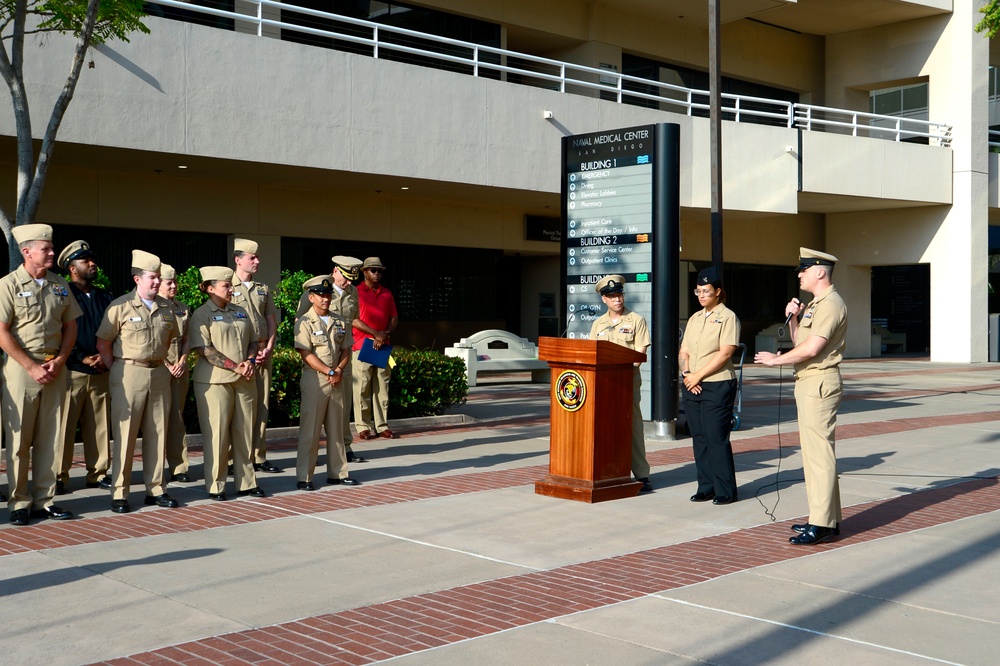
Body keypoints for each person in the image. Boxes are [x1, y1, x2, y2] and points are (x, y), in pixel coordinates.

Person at [754, 248, 848, 546]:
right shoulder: (814, 305)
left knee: (819, 455)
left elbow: (811, 350)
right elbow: (800, 341)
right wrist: (793, 318)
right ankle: (826, 519)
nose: (799, 274)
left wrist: (774, 360)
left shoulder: (831, 305)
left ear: (820, 271)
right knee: (814, 454)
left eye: (804, 269)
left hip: (819, 381)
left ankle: (821, 523)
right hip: (808, 381)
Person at [0, 223, 81, 525]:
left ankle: (44, 501)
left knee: (51, 438)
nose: (52, 252)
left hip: (55, 369)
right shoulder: (8, 285)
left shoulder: (60, 285)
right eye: (45, 249)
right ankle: (20, 502)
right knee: (20, 440)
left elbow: (70, 326)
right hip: (22, 370)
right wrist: (31, 366)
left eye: (50, 247)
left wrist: (60, 360)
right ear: (26, 251)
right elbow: (2, 332)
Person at [96, 250, 179, 514]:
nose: (156, 282)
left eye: (158, 278)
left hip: (159, 373)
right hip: (129, 373)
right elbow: (103, 343)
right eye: (151, 278)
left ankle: (156, 488)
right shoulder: (120, 306)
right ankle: (120, 492)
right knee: (125, 434)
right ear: (137, 279)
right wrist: (119, 370)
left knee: (158, 432)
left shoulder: (167, 308)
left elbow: (170, 340)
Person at [189, 266, 264, 501]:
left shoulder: (240, 311)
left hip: (244, 379)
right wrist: (235, 365)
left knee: (244, 433)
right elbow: (203, 349)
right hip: (215, 382)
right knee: (218, 434)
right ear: (210, 288)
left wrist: (250, 360)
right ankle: (216, 485)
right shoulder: (201, 314)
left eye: (231, 285)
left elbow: (254, 340)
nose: (231, 289)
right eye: (226, 285)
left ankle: (247, 483)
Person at [679, 266, 741, 505]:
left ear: (718, 291)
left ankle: (726, 489)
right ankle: (707, 486)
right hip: (692, 383)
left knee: (716, 436)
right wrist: (687, 373)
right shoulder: (695, 318)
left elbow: (725, 353)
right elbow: (683, 351)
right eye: (698, 291)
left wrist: (698, 375)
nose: (702, 295)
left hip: (717, 383)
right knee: (699, 436)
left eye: (706, 291)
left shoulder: (728, 317)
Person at [56, 240, 114, 494]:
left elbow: (115, 331)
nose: (92, 264)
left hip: (101, 371)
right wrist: (82, 357)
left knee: (100, 426)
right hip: (72, 372)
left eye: (92, 260)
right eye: (85, 261)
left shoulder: (105, 296)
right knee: (63, 426)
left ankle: (98, 473)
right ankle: (58, 475)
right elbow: (58, 332)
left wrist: (105, 356)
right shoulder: (62, 295)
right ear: (71, 267)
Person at [297, 255, 367, 462]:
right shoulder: (315, 291)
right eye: (345, 277)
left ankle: (344, 447)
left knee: (341, 406)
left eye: (351, 279)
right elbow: (301, 322)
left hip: (342, 357)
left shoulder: (352, 292)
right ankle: (313, 451)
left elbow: (351, 320)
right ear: (335, 271)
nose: (348, 283)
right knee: (315, 409)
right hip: (319, 358)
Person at [588, 274, 652, 493]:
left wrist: (623, 372)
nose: (617, 299)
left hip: (626, 384)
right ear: (604, 300)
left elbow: (640, 353)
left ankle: (642, 474)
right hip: (604, 386)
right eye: (612, 296)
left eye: (620, 295)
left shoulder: (636, 320)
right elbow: (592, 354)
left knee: (633, 427)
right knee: (605, 428)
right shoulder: (598, 324)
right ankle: (610, 472)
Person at [230, 238, 281, 473]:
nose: (257, 261)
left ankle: (258, 456)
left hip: (263, 353)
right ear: (238, 260)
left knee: (262, 406)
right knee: (238, 408)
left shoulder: (263, 289)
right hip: (239, 357)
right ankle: (234, 458)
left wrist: (268, 347)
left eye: (257, 257)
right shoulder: (227, 287)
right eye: (252, 258)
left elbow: (272, 322)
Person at [352, 257, 398, 440]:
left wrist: (385, 333)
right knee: (361, 387)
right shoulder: (355, 292)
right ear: (364, 272)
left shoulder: (387, 293)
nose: (377, 274)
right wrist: (375, 334)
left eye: (379, 271)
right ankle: (363, 426)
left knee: (382, 388)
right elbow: (353, 319)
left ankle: (382, 425)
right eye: (373, 270)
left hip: (383, 346)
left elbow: (394, 317)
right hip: (362, 345)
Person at [159, 264, 193, 483]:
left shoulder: (183, 308)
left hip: (179, 367)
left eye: (175, 282)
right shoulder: (152, 306)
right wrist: (166, 363)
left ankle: (178, 467)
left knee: (176, 417)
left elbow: (188, 338)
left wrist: (182, 360)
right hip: (159, 366)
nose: (173, 286)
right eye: (168, 282)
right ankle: (154, 469)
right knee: (157, 419)